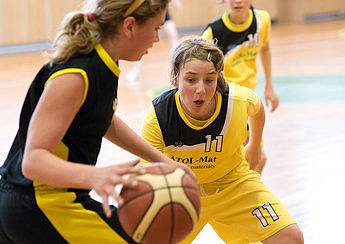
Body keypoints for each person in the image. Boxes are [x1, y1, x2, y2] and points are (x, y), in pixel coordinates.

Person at [0, 0, 195, 243]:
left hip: (39, 200)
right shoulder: (77, 74)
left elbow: (104, 120)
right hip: (38, 203)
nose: (157, 39)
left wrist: (164, 161)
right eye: (156, 28)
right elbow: (33, 161)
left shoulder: (104, 61)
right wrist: (95, 177)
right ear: (130, 26)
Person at [141, 37, 303, 243]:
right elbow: (148, 170)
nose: (201, 89)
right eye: (191, 80)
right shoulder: (159, 116)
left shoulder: (236, 100)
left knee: (290, 237)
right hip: (184, 196)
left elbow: (257, 107)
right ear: (175, 77)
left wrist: (254, 144)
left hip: (234, 185)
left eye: (209, 80)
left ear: (218, 78)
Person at [202, 0, 279, 174]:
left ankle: (243, 197)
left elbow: (265, 48)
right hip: (226, 100)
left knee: (255, 159)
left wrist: (269, 86)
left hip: (249, 99)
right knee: (256, 159)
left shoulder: (262, 20)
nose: (237, 1)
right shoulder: (213, 33)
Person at [125, 0, 182, 83]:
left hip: (160, 5)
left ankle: (178, 65)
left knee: (172, 34)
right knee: (141, 40)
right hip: (147, 7)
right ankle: (135, 70)